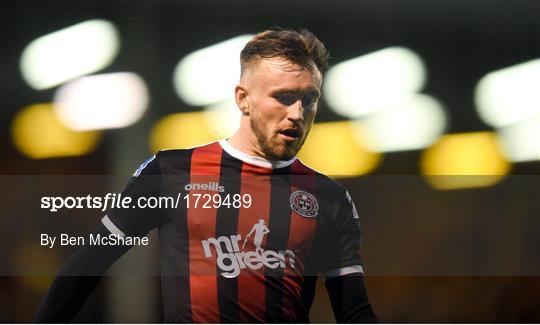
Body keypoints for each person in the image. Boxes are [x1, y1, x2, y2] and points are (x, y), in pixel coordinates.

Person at [34, 27, 377, 323]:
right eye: (284, 98)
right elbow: (88, 263)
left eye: (309, 99)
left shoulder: (329, 198)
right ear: (243, 99)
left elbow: (355, 311)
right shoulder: (170, 173)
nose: (297, 114)